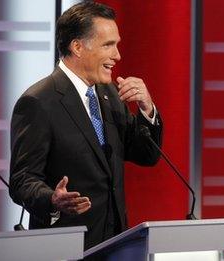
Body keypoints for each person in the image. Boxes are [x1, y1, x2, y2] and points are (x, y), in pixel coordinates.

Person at [9, 2, 162, 249]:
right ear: (77, 46)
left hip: (116, 242)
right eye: (108, 45)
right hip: (65, 246)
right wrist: (52, 199)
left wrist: (147, 109)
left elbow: (147, 155)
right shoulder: (38, 101)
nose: (117, 55)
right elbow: (22, 180)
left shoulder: (110, 94)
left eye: (117, 44)